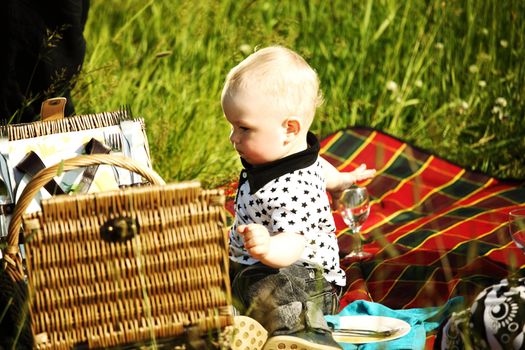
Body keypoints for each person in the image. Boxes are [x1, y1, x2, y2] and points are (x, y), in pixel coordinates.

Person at [222, 46, 376, 350]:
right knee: (224, 274)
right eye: (232, 126)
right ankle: (238, 323)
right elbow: (323, 169)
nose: (233, 138)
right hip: (255, 264)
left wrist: (267, 246)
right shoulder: (291, 158)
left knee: (270, 287)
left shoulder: (292, 188)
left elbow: (292, 245)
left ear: (288, 129)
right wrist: (344, 180)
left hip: (305, 279)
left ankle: (307, 334)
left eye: (244, 128)